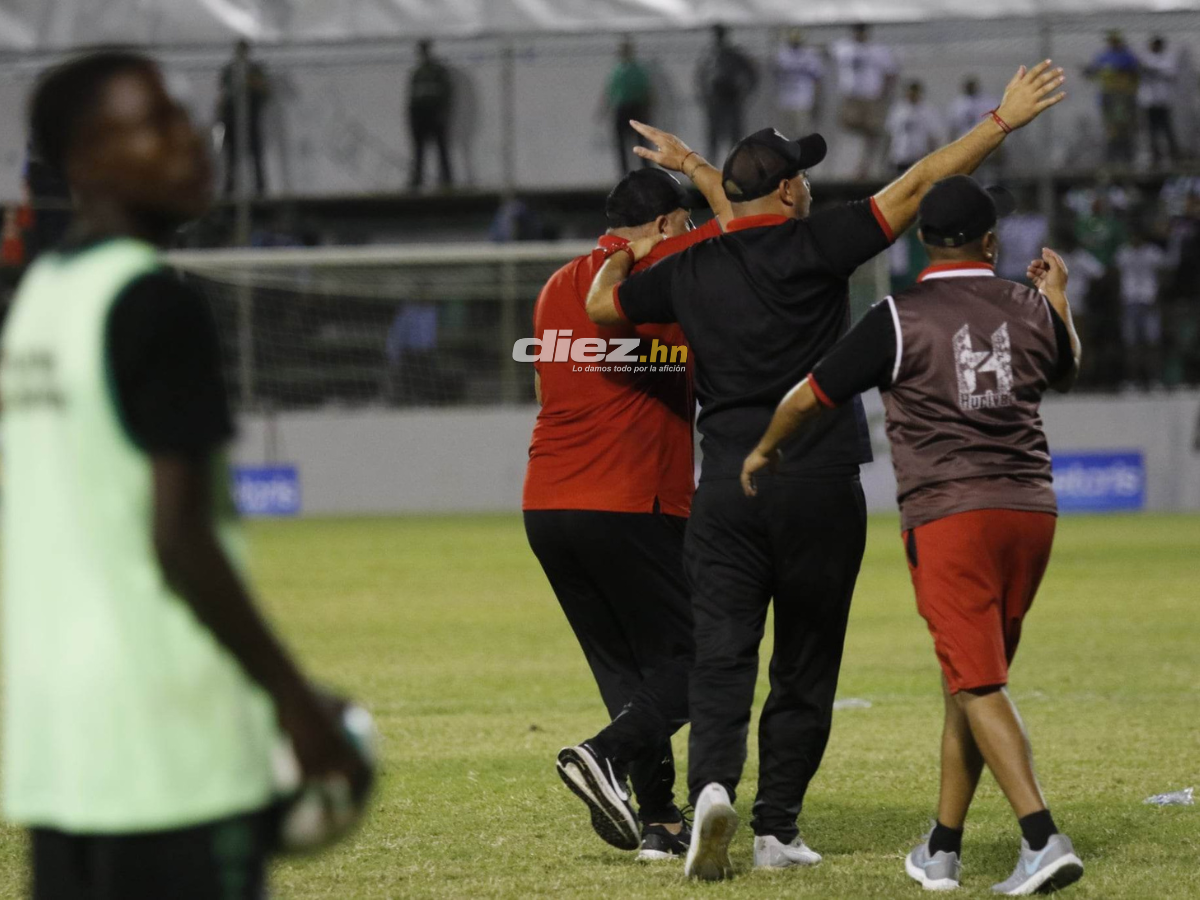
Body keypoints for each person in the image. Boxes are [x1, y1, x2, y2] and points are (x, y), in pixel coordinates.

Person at [585, 60, 1066, 882]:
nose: (809, 186)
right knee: (806, 662)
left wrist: (626, 252)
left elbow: (603, 307)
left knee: (723, 653)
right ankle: (776, 828)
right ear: (787, 192)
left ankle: (711, 788)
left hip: (725, 485)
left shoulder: (690, 268)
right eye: (801, 176)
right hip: (818, 481)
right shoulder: (821, 242)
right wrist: (1001, 121)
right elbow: (921, 182)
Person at [2, 51, 370, 900]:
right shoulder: (155, 302)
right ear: (88, 160)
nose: (192, 141)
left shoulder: (38, 301)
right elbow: (178, 539)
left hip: (59, 738)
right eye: (156, 124)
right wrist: (293, 701)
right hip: (169, 733)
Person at [739, 175, 1084, 897]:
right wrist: (1057, 298)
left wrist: (765, 448)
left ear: (922, 240)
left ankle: (1041, 839)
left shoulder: (898, 316)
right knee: (968, 679)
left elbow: (811, 394)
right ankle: (942, 847)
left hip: (951, 514)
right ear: (990, 242)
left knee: (977, 682)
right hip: (1031, 511)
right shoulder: (1028, 304)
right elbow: (1067, 365)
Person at [530, 129, 731, 860]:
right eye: (686, 221)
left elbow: (543, 386)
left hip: (546, 501)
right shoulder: (669, 265)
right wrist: (699, 169)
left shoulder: (556, 284)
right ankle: (603, 755)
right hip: (630, 499)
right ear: (670, 224)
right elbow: (748, 230)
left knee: (628, 669)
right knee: (707, 656)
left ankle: (660, 823)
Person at [831, 23, 899, 179]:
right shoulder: (845, 47)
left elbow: (890, 72)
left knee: (873, 132)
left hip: (871, 96)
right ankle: (860, 160)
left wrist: (885, 92)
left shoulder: (877, 50)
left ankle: (864, 166)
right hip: (851, 97)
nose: (859, 35)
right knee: (849, 123)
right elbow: (826, 50)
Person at [695, 24, 759, 163]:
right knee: (714, 137)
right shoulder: (710, 55)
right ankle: (711, 165)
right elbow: (701, 77)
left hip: (732, 98)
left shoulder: (734, 54)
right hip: (716, 99)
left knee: (734, 136)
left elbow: (751, 74)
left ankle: (736, 164)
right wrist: (704, 96)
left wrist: (745, 93)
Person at [217, 39, 270, 196]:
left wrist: (252, 84)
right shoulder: (229, 70)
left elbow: (264, 91)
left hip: (251, 117)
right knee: (232, 156)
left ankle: (260, 188)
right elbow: (223, 93)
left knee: (255, 155)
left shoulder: (254, 70)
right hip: (232, 119)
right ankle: (229, 187)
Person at [1115, 229, 1167, 386]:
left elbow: (1164, 274)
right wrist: (1120, 297)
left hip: (1149, 300)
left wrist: (1159, 294)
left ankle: (1155, 379)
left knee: (1152, 342)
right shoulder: (1123, 253)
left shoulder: (1153, 253)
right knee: (1131, 343)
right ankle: (1132, 379)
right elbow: (1117, 276)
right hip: (1129, 300)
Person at [1084, 31, 1140, 167]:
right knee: (1110, 126)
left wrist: (1116, 71)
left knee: (1124, 124)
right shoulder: (1103, 56)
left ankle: (1126, 156)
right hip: (1108, 94)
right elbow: (1094, 71)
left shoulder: (1127, 56)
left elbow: (1134, 72)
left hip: (1123, 95)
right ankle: (1112, 157)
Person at [407, 39, 454, 190]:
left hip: (434, 111)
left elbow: (446, 93)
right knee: (419, 149)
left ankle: (446, 179)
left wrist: (443, 112)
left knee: (441, 148)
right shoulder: (417, 73)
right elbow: (412, 97)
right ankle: (417, 178)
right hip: (419, 113)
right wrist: (412, 116)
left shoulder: (438, 71)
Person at [603, 37, 654, 175]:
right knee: (623, 143)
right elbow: (610, 92)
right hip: (624, 108)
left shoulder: (636, 70)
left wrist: (648, 108)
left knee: (640, 142)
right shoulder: (618, 70)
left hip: (635, 107)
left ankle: (645, 171)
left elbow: (647, 91)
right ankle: (626, 172)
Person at [774, 29, 825, 139]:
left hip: (803, 100)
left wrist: (816, 99)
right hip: (786, 99)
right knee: (785, 133)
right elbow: (775, 77)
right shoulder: (782, 55)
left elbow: (817, 78)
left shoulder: (809, 55)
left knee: (802, 133)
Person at [1138, 36, 1180, 168]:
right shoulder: (1145, 57)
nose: (1154, 47)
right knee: (1151, 128)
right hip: (1149, 100)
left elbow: (1171, 74)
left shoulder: (1168, 58)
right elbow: (1139, 72)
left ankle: (1173, 152)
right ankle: (1155, 153)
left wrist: (1154, 71)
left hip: (1163, 99)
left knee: (1166, 126)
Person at [885, 80, 944, 174]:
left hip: (919, 156)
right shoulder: (898, 110)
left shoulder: (928, 110)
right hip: (900, 155)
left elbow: (934, 134)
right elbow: (890, 131)